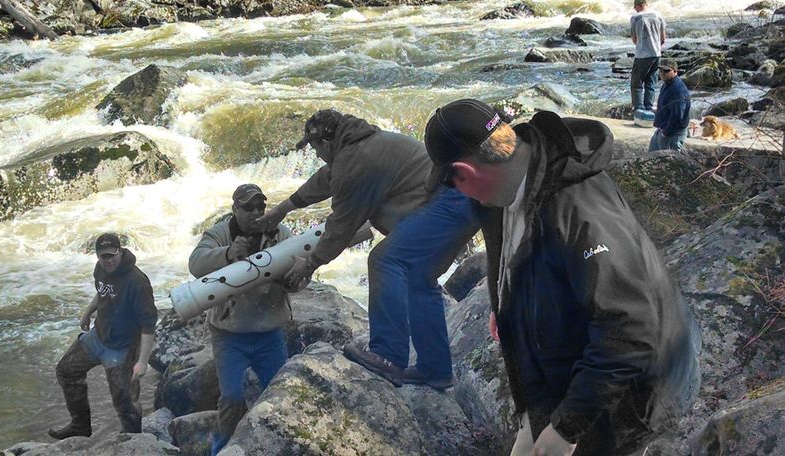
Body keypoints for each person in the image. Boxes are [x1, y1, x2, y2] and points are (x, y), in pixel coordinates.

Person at [424, 99, 701, 455]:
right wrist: (505, 303)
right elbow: (514, 252)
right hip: (560, 377)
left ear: (466, 171)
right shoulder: (505, 187)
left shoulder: (579, 213)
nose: (455, 193)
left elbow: (631, 329)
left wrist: (567, 429)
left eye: (450, 184)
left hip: (630, 394)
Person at [256, 109, 479, 390]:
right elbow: (327, 178)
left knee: (384, 260)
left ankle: (388, 356)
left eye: (314, 148)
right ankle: (435, 370)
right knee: (419, 280)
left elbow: (341, 227)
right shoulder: (358, 146)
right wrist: (284, 208)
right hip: (462, 199)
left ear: (326, 143)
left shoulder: (356, 161)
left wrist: (310, 263)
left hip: (447, 202)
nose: (316, 155)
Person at [188, 183, 301, 455]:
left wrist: (297, 276)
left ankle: (282, 445)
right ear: (234, 209)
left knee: (279, 395)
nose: (256, 212)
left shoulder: (280, 232)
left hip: (269, 331)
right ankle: (222, 448)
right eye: (248, 207)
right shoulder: (219, 233)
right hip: (229, 334)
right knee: (231, 398)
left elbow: (300, 276)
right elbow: (196, 264)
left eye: (260, 206)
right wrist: (227, 254)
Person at [49, 233, 157, 439]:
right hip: (98, 336)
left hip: (123, 347)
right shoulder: (101, 269)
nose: (107, 261)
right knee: (66, 370)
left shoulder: (137, 282)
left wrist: (142, 362)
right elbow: (103, 292)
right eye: (102, 257)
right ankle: (80, 426)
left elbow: (148, 325)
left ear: (120, 251)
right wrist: (88, 312)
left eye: (111, 256)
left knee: (124, 401)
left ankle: (134, 441)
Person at [649, 58, 691, 152]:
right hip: (662, 129)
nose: (662, 73)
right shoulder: (666, 84)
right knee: (651, 157)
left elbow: (677, 116)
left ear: (675, 71)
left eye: (666, 71)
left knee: (667, 162)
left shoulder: (678, 90)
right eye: (660, 70)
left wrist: (666, 133)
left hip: (673, 134)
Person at [630, 0, 666, 112]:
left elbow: (634, 39)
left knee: (637, 84)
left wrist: (643, 46)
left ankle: (639, 110)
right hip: (656, 54)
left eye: (635, 7)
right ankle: (649, 109)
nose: (635, 9)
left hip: (642, 55)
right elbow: (663, 39)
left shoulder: (635, 18)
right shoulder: (658, 16)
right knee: (650, 83)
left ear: (639, 5)